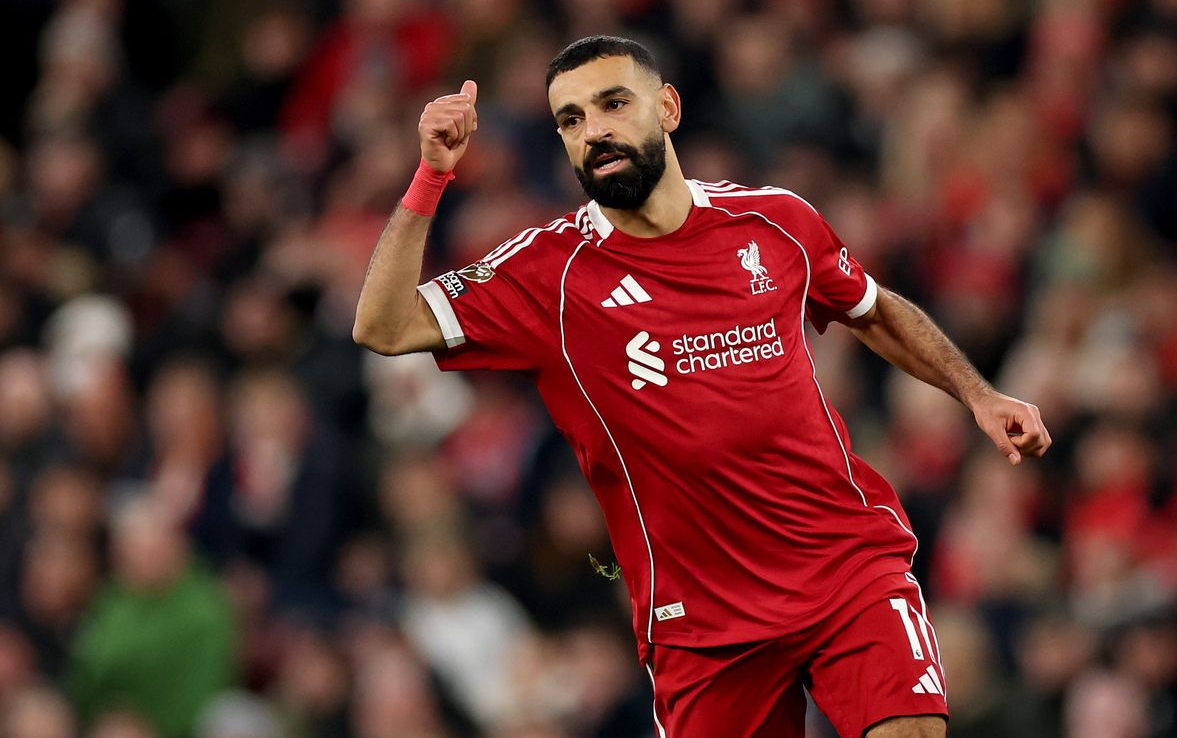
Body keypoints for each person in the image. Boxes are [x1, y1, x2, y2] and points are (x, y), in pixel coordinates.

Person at [353, 36, 1052, 738]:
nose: (594, 130)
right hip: (702, 623)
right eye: (570, 120)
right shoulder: (549, 275)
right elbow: (383, 326)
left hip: (843, 565)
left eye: (612, 104)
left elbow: (872, 307)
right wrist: (431, 177)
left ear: (669, 107)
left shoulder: (775, 221)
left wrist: (978, 393)